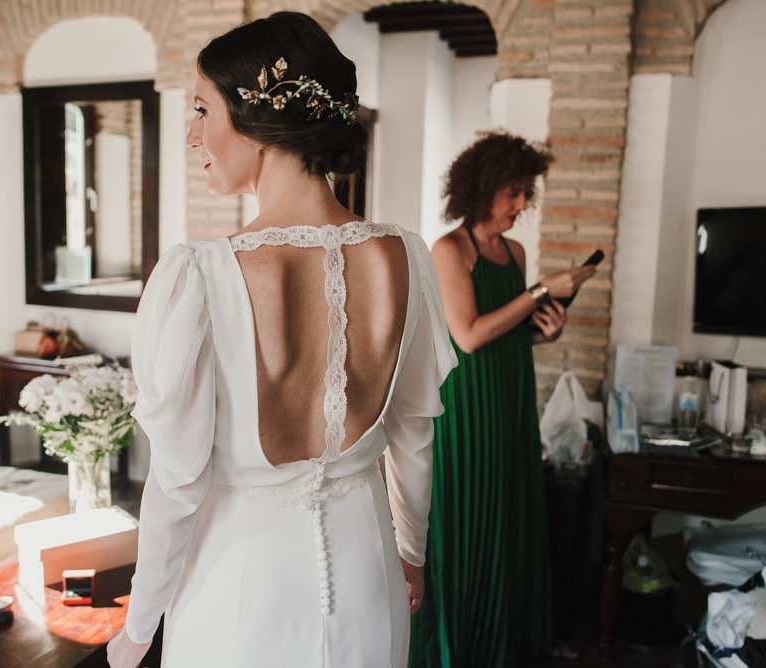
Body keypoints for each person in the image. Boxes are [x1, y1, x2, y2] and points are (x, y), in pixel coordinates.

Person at [106, 11, 457, 668]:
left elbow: (178, 480)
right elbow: (414, 437)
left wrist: (139, 624)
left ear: (256, 121)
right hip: (367, 574)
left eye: (203, 110)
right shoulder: (405, 256)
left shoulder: (198, 276)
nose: (191, 134)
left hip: (239, 589)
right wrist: (412, 557)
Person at [409, 131, 597, 667]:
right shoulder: (449, 249)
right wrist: (540, 290)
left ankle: (506, 640)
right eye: (513, 193)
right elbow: (467, 335)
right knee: (463, 516)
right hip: (466, 405)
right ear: (482, 188)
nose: (521, 206)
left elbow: (507, 329)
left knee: (510, 515)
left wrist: (546, 330)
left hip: (509, 395)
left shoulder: (513, 251)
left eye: (525, 194)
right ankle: (456, 646)